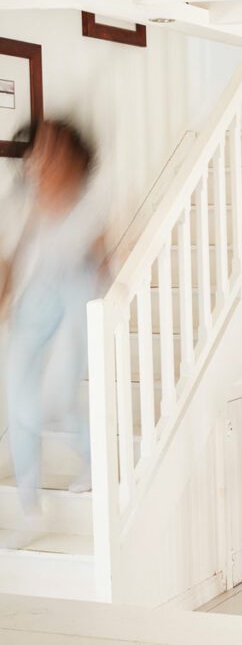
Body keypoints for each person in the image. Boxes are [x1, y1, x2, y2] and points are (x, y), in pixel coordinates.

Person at [0, 120, 107, 528]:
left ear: (73, 157)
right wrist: (5, 298)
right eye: (39, 149)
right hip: (31, 306)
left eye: (52, 148)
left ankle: (95, 460)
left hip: (73, 305)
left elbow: (102, 260)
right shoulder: (24, 200)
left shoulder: (88, 204)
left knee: (58, 398)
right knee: (18, 397)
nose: (41, 157)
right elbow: (11, 253)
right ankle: (30, 504)